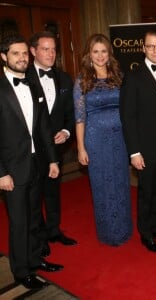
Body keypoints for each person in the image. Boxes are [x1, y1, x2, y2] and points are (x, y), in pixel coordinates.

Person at [0, 35, 63, 290]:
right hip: (11, 170)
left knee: (35, 217)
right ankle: (21, 271)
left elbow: (44, 127)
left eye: (25, 53)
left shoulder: (33, 84)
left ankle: (36, 259)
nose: (22, 58)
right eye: (16, 54)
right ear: (4, 56)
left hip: (37, 163)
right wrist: (1, 173)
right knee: (19, 222)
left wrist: (53, 160)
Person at [73, 33, 132, 246]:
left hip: (120, 139)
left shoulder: (118, 75)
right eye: (95, 51)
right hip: (95, 140)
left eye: (103, 51)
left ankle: (124, 228)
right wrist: (80, 147)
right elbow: (80, 117)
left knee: (120, 181)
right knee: (102, 185)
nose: (99, 56)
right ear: (89, 54)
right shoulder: (82, 80)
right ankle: (109, 233)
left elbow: (128, 108)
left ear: (109, 54)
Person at [120, 30, 156, 253]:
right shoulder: (133, 77)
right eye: (150, 46)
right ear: (143, 48)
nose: (155, 50)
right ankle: (146, 233)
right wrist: (134, 152)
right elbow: (128, 117)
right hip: (145, 147)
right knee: (146, 191)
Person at [26, 31, 77, 256]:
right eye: (45, 49)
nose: (50, 53)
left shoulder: (64, 78)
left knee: (53, 191)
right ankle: (38, 237)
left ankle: (54, 230)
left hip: (56, 147)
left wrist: (66, 132)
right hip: (32, 150)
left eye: (54, 49)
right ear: (33, 51)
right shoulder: (23, 77)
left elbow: (70, 113)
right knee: (34, 196)